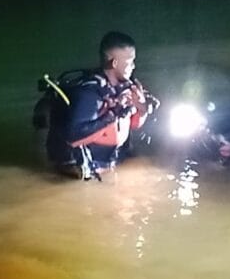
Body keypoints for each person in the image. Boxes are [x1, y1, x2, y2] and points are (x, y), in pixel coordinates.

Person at [44, 31, 159, 180]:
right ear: (115, 63)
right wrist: (113, 115)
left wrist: (142, 107)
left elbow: (134, 124)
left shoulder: (128, 87)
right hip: (87, 168)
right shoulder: (89, 94)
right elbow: (73, 137)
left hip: (114, 160)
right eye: (130, 61)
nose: (134, 66)